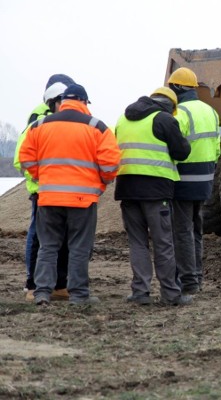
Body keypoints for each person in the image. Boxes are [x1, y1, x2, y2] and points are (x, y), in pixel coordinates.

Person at [18, 84, 121, 306]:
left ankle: (42, 292)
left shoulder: (40, 125)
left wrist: (40, 176)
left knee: (48, 247)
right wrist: (102, 181)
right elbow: (111, 163)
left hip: (48, 197)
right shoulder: (97, 127)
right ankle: (78, 295)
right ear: (84, 102)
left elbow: (25, 157)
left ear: (62, 102)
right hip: (83, 200)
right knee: (79, 248)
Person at [114, 87, 192, 306]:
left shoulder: (123, 119)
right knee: (163, 243)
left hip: (127, 190)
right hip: (157, 191)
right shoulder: (165, 120)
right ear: (171, 106)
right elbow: (182, 152)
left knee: (137, 243)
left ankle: (140, 292)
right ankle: (170, 294)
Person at [14, 74, 76, 301]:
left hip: (57, 189)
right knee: (39, 237)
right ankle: (32, 283)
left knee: (56, 239)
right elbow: (22, 158)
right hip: (42, 190)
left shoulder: (59, 117)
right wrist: (41, 179)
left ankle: (58, 284)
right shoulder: (39, 118)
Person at [167, 67, 221, 294]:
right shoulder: (211, 111)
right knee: (196, 229)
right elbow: (217, 148)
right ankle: (196, 277)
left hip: (184, 179)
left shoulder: (180, 113)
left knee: (181, 231)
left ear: (177, 87)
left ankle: (188, 281)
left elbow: (175, 148)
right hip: (205, 179)